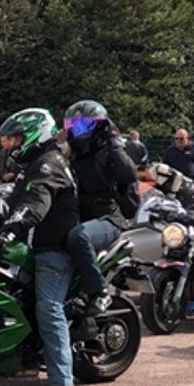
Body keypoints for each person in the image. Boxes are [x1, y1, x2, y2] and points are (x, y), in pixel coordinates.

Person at [0, 108, 81, 386]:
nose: (10, 146)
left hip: (53, 249)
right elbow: (13, 202)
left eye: (14, 139)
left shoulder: (48, 165)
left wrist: (10, 230)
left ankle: (61, 382)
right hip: (33, 246)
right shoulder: (33, 164)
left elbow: (34, 204)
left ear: (33, 135)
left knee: (48, 307)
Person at [63, 100, 138, 313]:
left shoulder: (109, 151)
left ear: (99, 126)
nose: (78, 131)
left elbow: (129, 174)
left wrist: (114, 142)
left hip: (109, 218)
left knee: (79, 237)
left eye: (84, 125)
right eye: (73, 126)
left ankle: (99, 292)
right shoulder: (71, 154)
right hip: (81, 215)